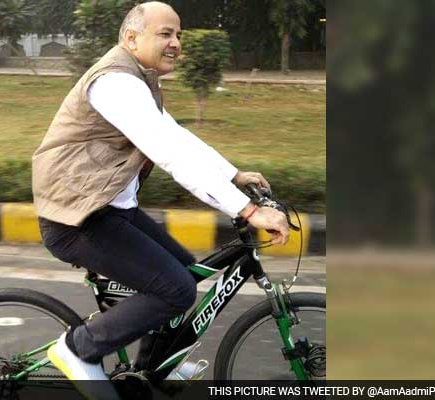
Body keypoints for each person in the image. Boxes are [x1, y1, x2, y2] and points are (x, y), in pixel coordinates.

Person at [32, 0, 289, 385]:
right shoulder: (115, 82)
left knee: (185, 273)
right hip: (76, 218)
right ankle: (78, 348)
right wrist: (249, 212)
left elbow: (177, 137)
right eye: (165, 34)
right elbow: (168, 153)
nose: (176, 43)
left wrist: (232, 174)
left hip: (108, 210)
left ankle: (152, 367)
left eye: (179, 35)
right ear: (131, 38)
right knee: (176, 289)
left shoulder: (139, 79)